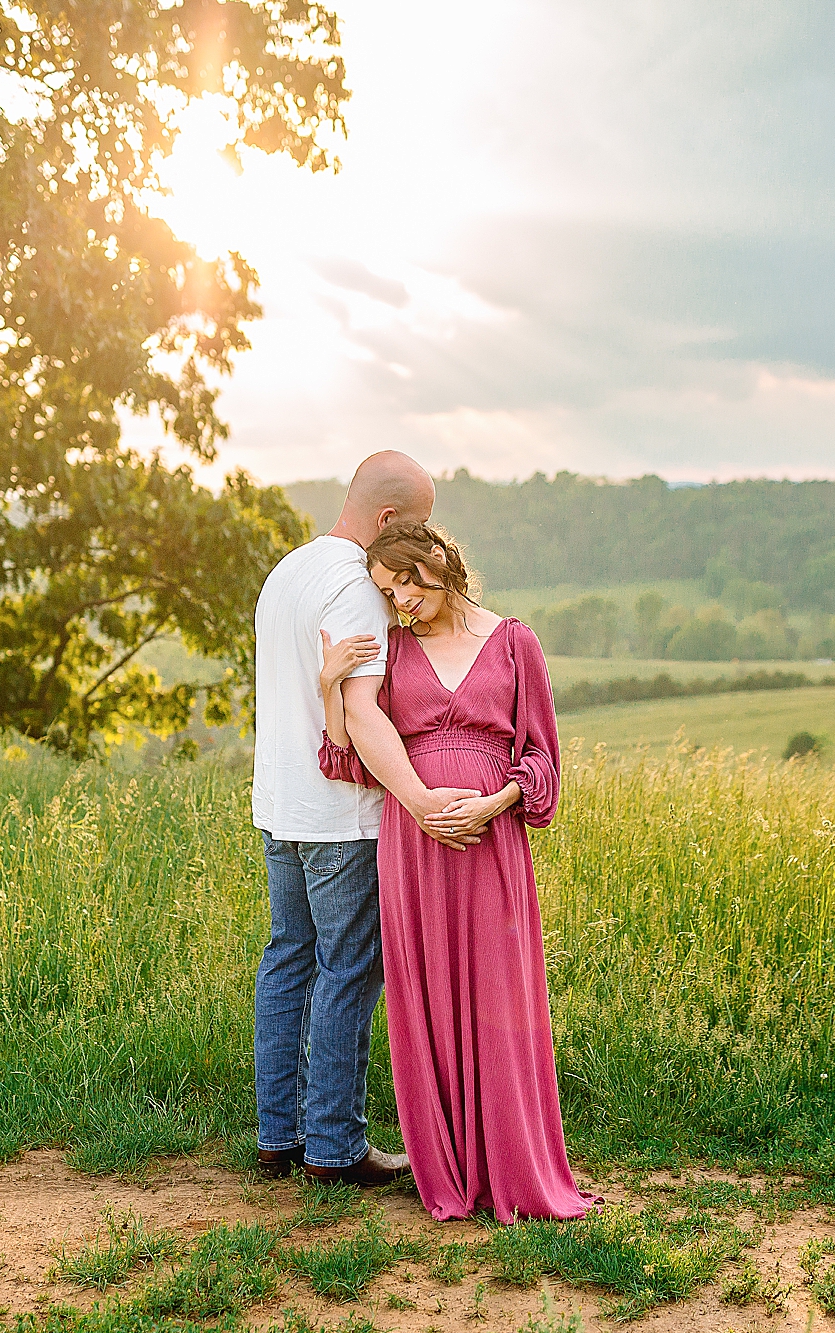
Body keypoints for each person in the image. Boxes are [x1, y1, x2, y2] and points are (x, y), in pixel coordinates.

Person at [318, 521, 597, 1223]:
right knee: (429, 1004)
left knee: (498, 1000)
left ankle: (510, 1165)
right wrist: (330, 686)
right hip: (411, 850)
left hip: (489, 846)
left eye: (406, 582)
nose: (400, 601)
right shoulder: (392, 648)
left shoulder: (514, 642)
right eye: (388, 592)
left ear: (436, 561)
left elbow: (541, 759)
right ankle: (450, 1169)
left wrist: (494, 802)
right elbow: (351, 753)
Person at [250, 451, 471, 1187]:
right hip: (340, 816)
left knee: (287, 959)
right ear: (387, 520)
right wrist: (418, 798)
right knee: (348, 970)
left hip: (278, 805)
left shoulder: (288, 571)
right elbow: (363, 712)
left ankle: (277, 1135)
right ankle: (335, 1147)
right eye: (413, 528)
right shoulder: (354, 586)